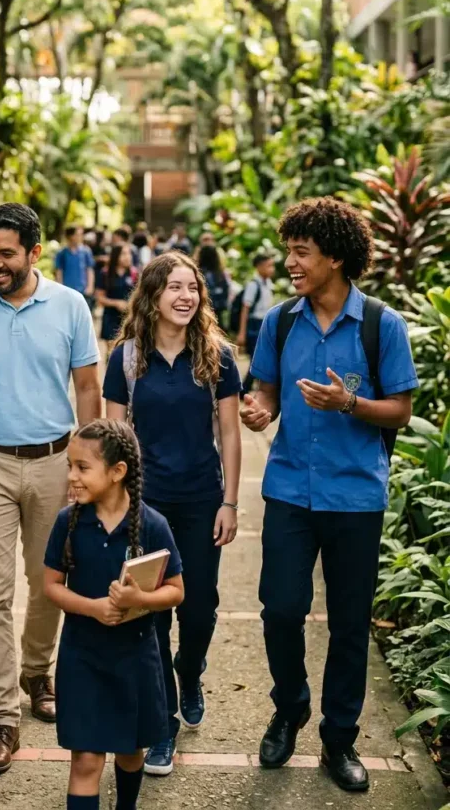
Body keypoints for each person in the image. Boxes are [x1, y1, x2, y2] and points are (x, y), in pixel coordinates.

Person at [241, 197, 418, 793]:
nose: (289, 261)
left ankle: (339, 739)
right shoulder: (280, 322)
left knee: (347, 625)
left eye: (301, 252)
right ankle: (289, 707)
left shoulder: (380, 325)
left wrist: (349, 403)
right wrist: (259, 410)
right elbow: (264, 390)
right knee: (281, 610)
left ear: (335, 258)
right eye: (288, 249)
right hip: (290, 489)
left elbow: (400, 410)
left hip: (355, 498)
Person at [0, 203, 101, 775]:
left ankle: (37, 669)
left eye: (6, 253)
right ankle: (4, 716)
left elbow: (86, 388)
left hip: (56, 461)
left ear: (34, 252)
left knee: (49, 579)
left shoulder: (70, 305)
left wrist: (88, 469)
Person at [103, 252, 242, 776]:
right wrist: (119, 503)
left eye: (193, 288)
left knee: (200, 606)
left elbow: (229, 433)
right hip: (148, 505)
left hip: (203, 500)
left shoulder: (217, 356)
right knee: (153, 614)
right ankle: (161, 724)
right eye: (175, 288)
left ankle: (191, 671)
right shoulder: (127, 359)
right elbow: (114, 435)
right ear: (153, 295)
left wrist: (230, 502)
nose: (186, 297)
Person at [44, 419, 184, 810]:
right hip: (82, 656)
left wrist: (139, 597)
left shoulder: (152, 526)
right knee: (86, 759)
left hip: (135, 657)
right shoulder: (67, 523)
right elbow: (51, 586)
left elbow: (176, 591)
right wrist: (94, 608)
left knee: (130, 751)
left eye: (82, 468)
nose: (72, 476)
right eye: (70, 466)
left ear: (118, 472)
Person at [237, 253, 276, 393]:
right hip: (254, 325)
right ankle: (243, 390)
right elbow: (245, 309)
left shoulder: (268, 285)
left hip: (263, 324)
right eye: (268, 266)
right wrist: (242, 332)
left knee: (259, 358)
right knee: (256, 358)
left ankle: (245, 388)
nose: (271, 269)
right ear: (259, 267)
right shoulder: (254, 285)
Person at [95, 244, 136, 353]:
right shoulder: (105, 273)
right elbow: (99, 298)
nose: (128, 256)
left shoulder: (134, 274)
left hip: (129, 317)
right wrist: (116, 303)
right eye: (124, 253)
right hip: (110, 317)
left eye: (129, 253)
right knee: (112, 351)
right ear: (115, 256)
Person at [54, 225, 96, 305]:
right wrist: (60, 288)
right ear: (71, 236)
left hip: (83, 291)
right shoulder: (62, 253)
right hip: (67, 291)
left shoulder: (86, 251)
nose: (81, 237)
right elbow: (59, 272)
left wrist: (90, 287)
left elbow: (89, 270)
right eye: (78, 234)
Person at [197, 243, 230, 329]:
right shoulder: (220, 274)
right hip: (218, 312)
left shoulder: (199, 273)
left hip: (201, 311)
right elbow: (226, 291)